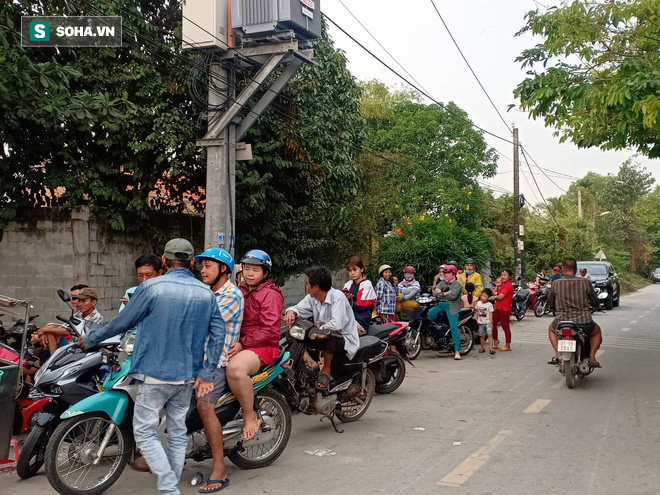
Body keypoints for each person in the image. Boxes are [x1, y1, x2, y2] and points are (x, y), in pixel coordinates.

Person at [80, 238, 226, 495]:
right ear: (192, 262)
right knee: (177, 431)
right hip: (186, 376)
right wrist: (206, 371)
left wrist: (92, 337)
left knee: (145, 433)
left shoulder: (151, 288)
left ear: (164, 260)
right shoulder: (206, 293)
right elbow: (218, 334)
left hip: (154, 372)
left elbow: (122, 323)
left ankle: (169, 488)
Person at [195, 248, 243, 493]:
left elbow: (202, 322)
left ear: (223, 269)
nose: (202, 270)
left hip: (216, 362)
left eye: (208, 266)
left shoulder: (231, 295)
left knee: (205, 406)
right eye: (202, 266)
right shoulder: (205, 292)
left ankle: (219, 468)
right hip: (194, 360)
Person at [228, 249, 283, 442]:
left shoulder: (270, 295)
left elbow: (270, 331)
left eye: (255, 270)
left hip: (262, 346)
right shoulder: (238, 290)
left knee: (235, 370)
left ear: (265, 273)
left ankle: (249, 414)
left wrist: (243, 344)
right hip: (237, 342)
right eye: (247, 269)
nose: (250, 274)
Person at [284, 266, 360, 391]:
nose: (306, 286)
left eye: (308, 284)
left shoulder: (338, 297)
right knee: (291, 333)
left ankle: (326, 371)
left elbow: (337, 325)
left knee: (329, 336)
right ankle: (310, 363)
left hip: (343, 339)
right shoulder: (312, 298)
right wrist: (291, 312)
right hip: (319, 334)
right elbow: (299, 308)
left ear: (316, 287)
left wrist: (319, 328)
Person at [547, 258, 603, 367]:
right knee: (597, 332)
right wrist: (596, 306)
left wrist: (553, 309)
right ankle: (591, 358)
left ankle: (558, 355)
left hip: (561, 321)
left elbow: (550, 302)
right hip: (584, 322)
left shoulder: (556, 283)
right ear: (576, 269)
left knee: (551, 329)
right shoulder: (585, 282)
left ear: (563, 269)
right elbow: (595, 300)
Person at [34, 286, 104, 357]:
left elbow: (71, 331)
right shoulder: (78, 314)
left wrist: (46, 329)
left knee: (49, 331)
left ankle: (54, 360)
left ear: (93, 302)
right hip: (70, 344)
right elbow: (65, 327)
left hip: (80, 348)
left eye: (84, 301)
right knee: (49, 329)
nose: (80, 304)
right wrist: (45, 331)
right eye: (79, 301)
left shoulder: (96, 317)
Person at [429, 265, 463, 360]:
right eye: (445, 273)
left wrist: (441, 294)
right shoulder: (442, 283)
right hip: (441, 305)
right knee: (429, 315)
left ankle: (457, 350)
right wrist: (446, 293)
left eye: (448, 273)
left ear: (453, 274)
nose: (446, 275)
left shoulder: (456, 284)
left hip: (452, 307)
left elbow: (453, 296)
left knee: (454, 328)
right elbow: (434, 293)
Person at [342, 256, 376, 334]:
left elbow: (361, 305)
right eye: (350, 271)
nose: (352, 273)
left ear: (361, 269)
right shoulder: (348, 284)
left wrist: (348, 300)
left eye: (355, 270)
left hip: (361, 322)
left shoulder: (367, 284)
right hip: (348, 320)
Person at [492, 269, 514, 352]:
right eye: (502, 275)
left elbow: (500, 297)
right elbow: (496, 292)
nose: (502, 277)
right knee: (493, 323)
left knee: (505, 327)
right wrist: (498, 286)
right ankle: (496, 341)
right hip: (498, 307)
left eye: (505, 275)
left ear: (509, 277)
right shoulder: (502, 284)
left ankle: (508, 345)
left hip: (504, 308)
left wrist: (491, 298)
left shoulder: (508, 285)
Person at [476, 288, 496, 354]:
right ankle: (483, 348)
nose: (482, 297)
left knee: (490, 335)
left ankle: (491, 348)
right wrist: (476, 319)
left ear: (488, 297)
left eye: (485, 296)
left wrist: (491, 322)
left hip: (487, 323)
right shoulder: (478, 303)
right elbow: (477, 311)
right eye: (482, 295)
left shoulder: (489, 305)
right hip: (481, 323)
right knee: (482, 336)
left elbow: (491, 314)